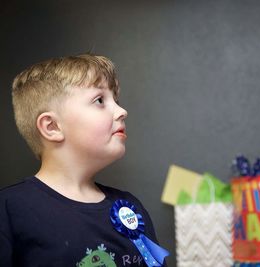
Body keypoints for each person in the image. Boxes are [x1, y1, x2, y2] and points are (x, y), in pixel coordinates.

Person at [0, 54, 168, 266]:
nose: (122, 111)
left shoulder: (130, 208)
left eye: (116, 101)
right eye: (99, 100)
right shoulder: (10, 210)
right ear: (52, 127)